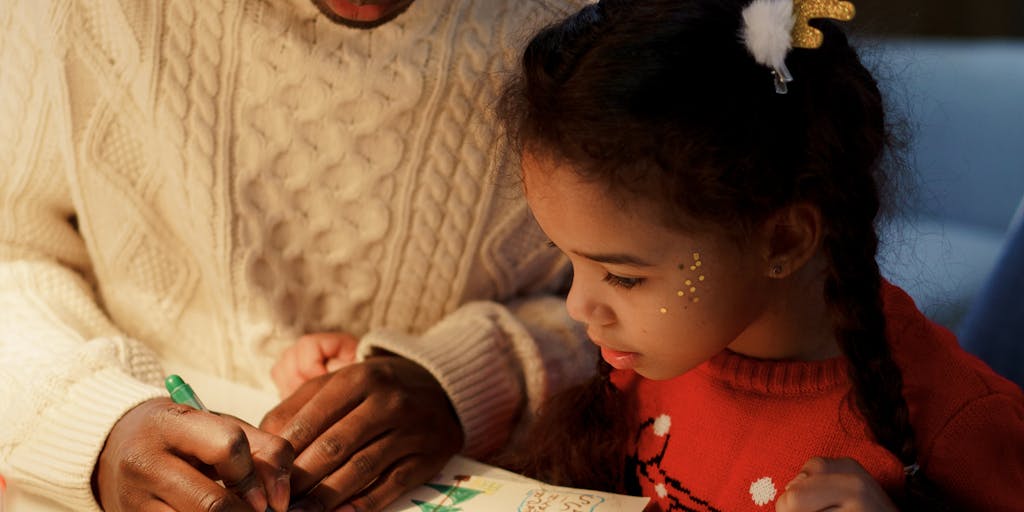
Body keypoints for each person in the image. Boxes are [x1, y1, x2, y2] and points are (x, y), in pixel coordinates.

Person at [0, 0, 595, 511]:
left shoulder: (594, 24)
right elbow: (14, 251)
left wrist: (471, 376)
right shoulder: (76, 14)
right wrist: (93, 422)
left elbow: (657, 285)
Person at [493, 0, 1024, 510]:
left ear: (785, 240)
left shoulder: (959, 425)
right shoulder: (659, 360)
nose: (577, 306)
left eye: (621, 276)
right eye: (569, 260)